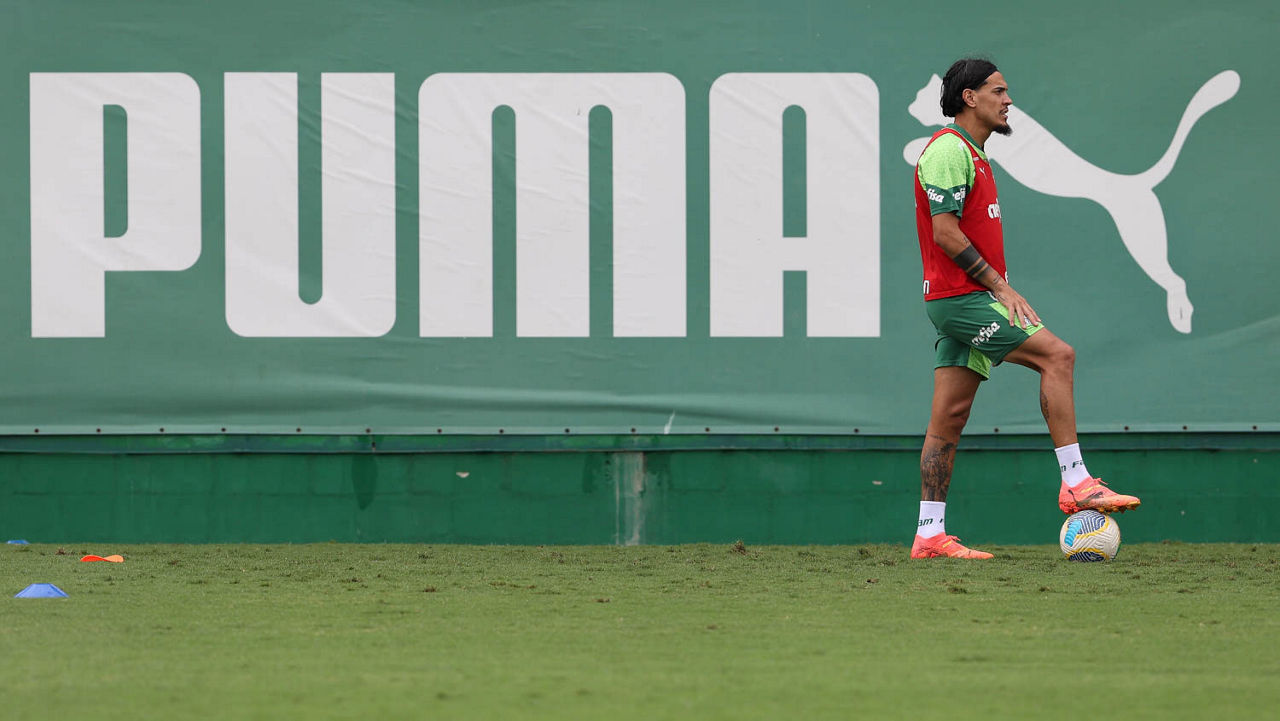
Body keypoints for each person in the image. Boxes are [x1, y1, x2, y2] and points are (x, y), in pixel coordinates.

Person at [909, 58, 1141, 559]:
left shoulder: (975, 155)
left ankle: (928, 534)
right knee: (1057, 355)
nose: (1008, 100)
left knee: (948, 418)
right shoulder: (949, 149)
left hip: (961, 299)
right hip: (962, 300)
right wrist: (1000, 288)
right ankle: (1076, 482)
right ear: (969, 97)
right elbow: (945, 233)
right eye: (998, 91)